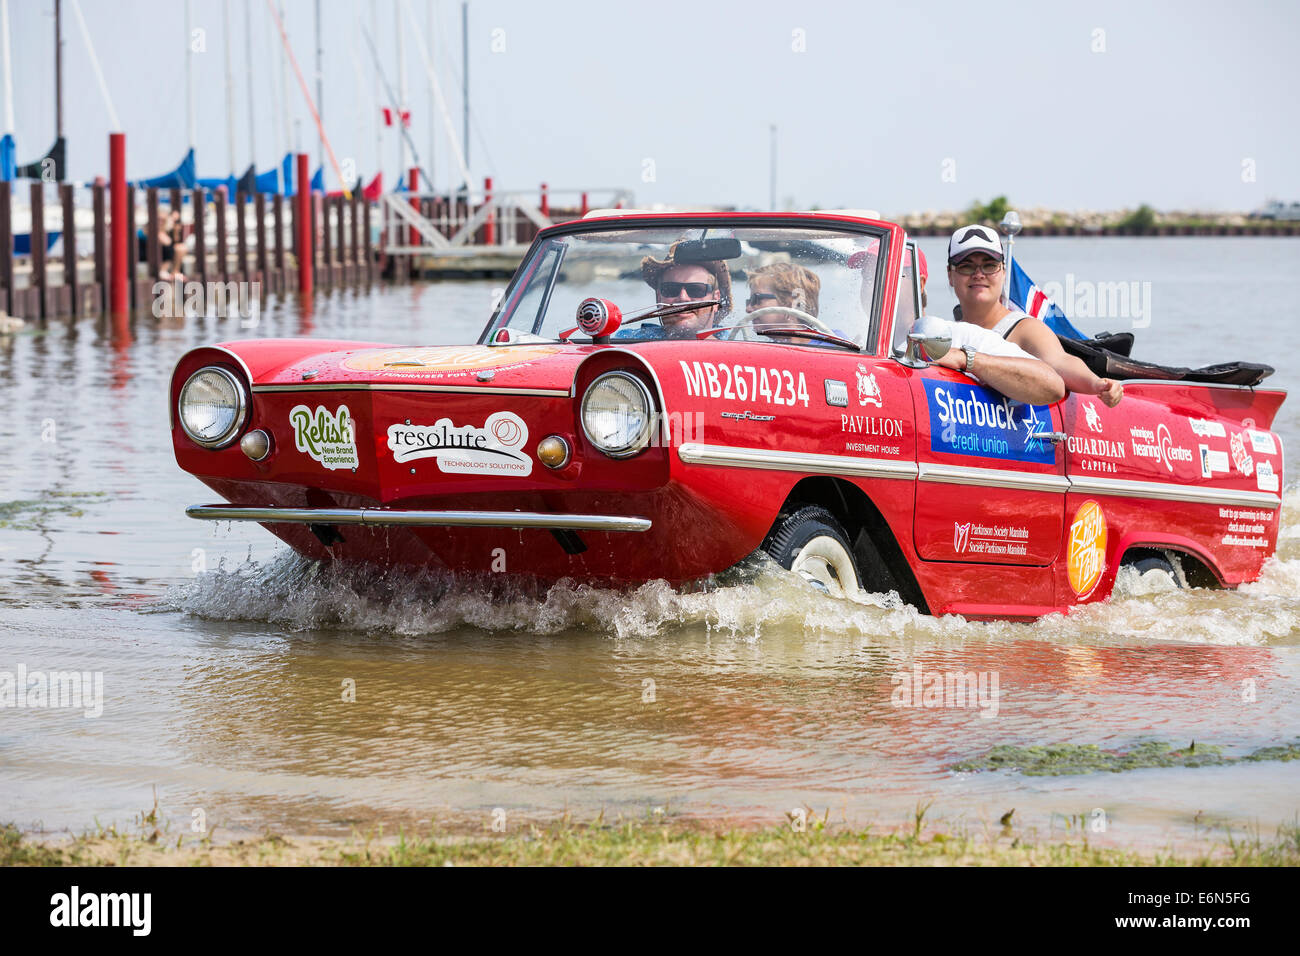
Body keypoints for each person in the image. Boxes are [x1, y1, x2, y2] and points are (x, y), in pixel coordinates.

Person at [850, 242, 1066, 406]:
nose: (874, 284)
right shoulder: (854, 343)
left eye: (887, 275)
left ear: (919, 283)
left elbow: (1052, 385)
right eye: (868, 275)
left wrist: (965, 359)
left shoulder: (960, 336)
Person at [947, 224, 1123, 407]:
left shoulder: (1025, 329)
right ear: (950, 275)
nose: (978, 274)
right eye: (966, 267)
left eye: (989, 266)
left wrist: (1097, 384)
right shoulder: (948, 334)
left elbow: (1060, 362)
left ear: (1003, 273)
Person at [615, 241, 733, 340]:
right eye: (670, 289)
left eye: (696, 289)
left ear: (716, 299)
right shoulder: (627, 340)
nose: (682, 297)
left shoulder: (737, 344)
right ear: (658, 297)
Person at [744, 262, 820, 342]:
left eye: (756, 299)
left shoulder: (832, 347)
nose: (748, 309)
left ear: (791, 304)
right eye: (749, 301)